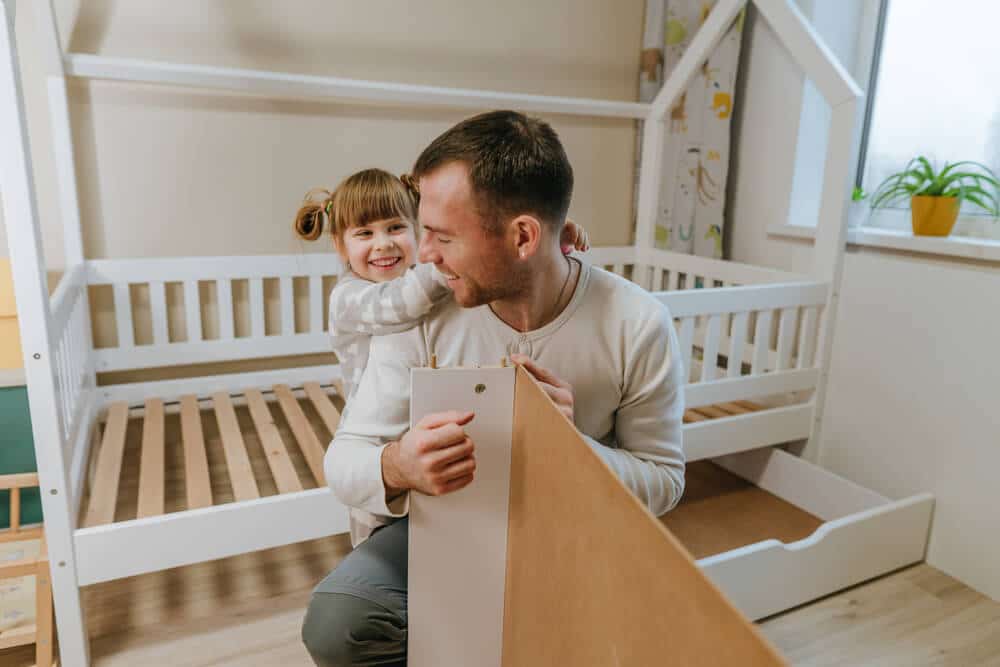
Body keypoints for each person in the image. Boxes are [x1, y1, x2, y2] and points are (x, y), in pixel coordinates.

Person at [301, 111, 685, 667]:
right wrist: (398, 466)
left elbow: (664, 480)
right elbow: (344, 459)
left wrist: (572, 452)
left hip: (573, 530)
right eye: (424, 230)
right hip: (448, 527)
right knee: (341, 622)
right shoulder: (420, 314)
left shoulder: (637, 322)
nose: (423, 255)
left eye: (441, 235)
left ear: (524, 236)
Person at [293, 167, 590, 544]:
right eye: (364, 234)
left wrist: (546, 244)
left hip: (424, 414)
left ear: (417, 231)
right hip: (377, 429)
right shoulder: (349, 298)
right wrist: (456, 258)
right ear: (340, 246)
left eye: (395, 228)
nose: (382, 244)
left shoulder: (415, 275)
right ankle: (371, 560)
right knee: (375, 521)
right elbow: (401, 304)